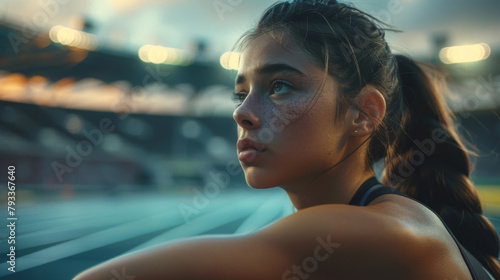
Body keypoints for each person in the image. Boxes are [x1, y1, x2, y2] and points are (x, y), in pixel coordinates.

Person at [73, 0, 500, 279]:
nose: (242, 112)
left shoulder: (383, 233)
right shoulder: (383, 220)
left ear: (364, 113)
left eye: (279, 87)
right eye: (241, 93)